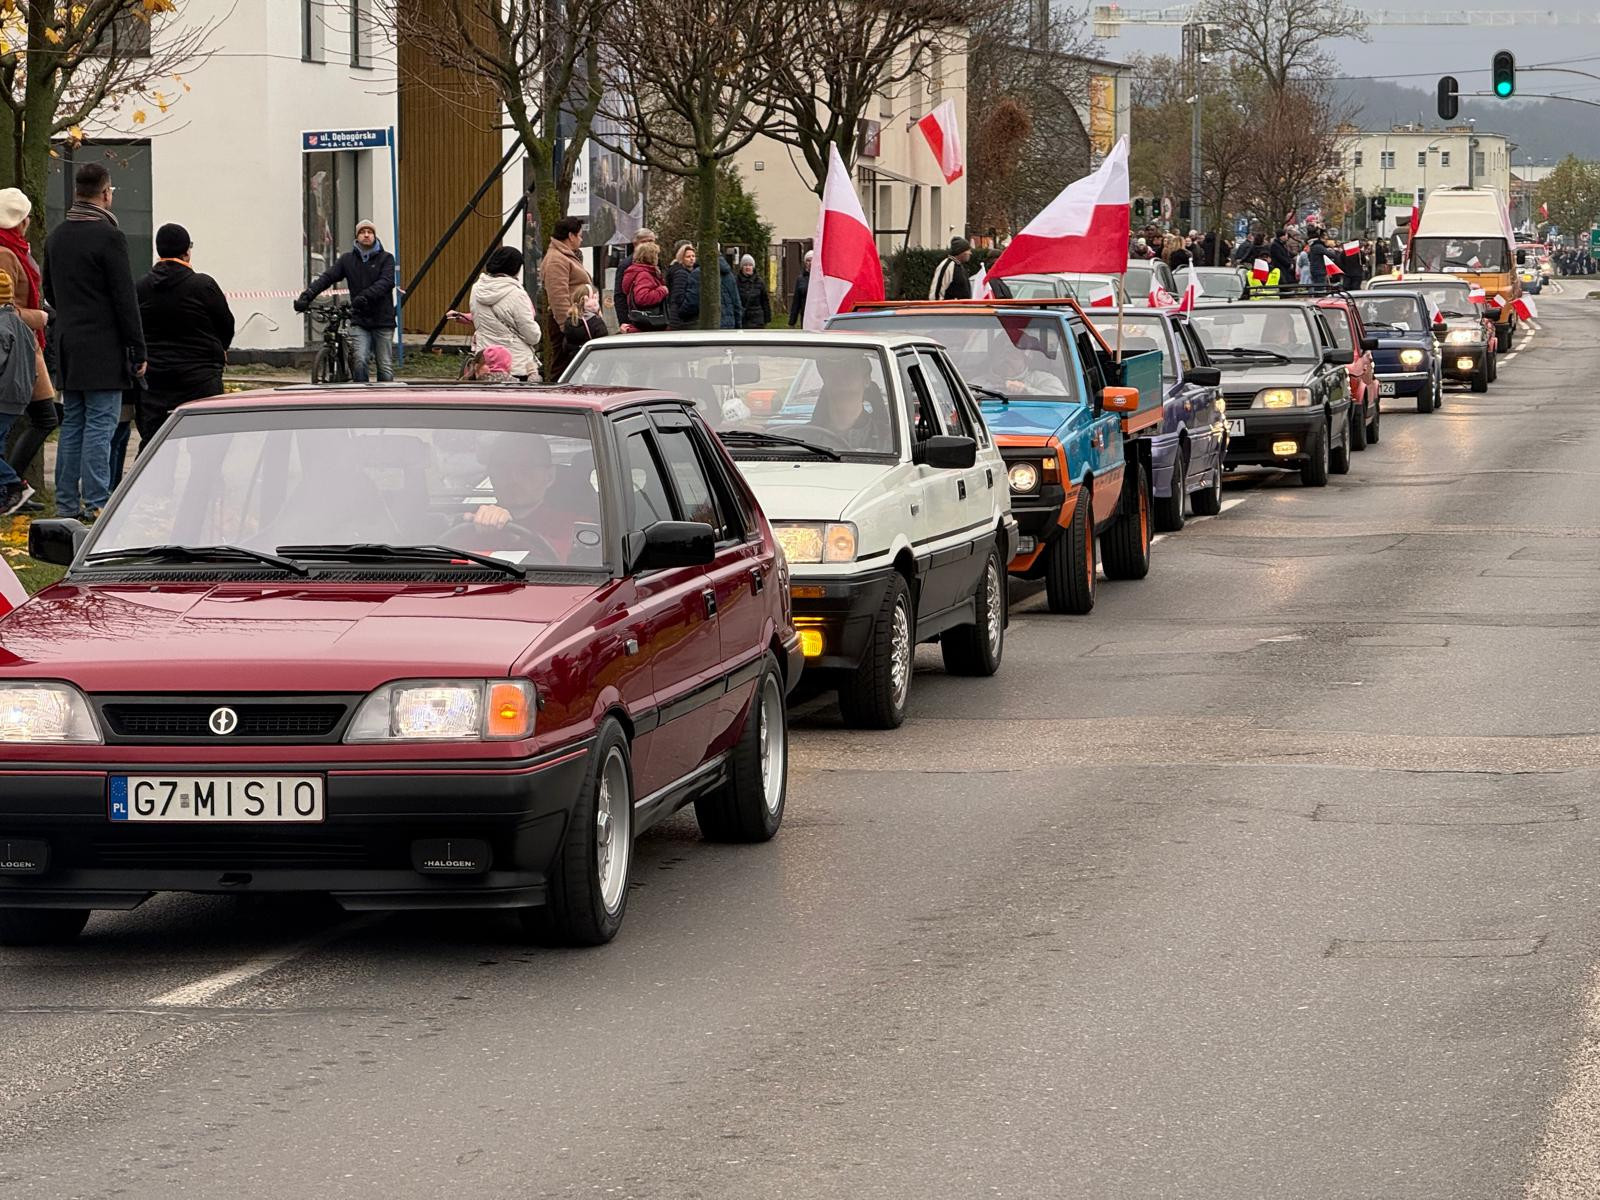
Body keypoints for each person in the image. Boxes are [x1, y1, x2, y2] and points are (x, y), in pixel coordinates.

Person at [44, 162, 146, 523]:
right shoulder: (109, 236)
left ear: (77, 192)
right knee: (101, 425)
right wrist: (137, 348)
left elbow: (49, 293)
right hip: (104, 346)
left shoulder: (56, 237)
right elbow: (124, 298)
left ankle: (67, 503)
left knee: (73, 423)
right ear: (105, 193)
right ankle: (97, 501)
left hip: (69, 343)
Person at [134, 222, 234, 442]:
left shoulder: (141, 287)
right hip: (200, 380)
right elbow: (226, 324)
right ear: (187, 251)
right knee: (205, 445)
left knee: (154, 447)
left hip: (155, 381)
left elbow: (135, 328)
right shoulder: (203, 285)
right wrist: (221, 348)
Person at [0, 188, 55, 510]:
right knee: (43, 416)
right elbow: (5, 308)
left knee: (44, 416)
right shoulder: (7, 252)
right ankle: (13, 486)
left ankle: (12, 487)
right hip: (18, 345)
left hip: (26, 344)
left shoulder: (18, 248)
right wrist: (41, 316)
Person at [294, 219, 396, 383]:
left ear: (375, 236)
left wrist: (365, 296)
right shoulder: (347, 260)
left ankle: (386, 402)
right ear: (357, 237)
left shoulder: (386, 259)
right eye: (362, 232)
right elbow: (327, 277)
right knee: (359, 360)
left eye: (370, 232)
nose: (366, 235)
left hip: (382, 320)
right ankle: (360, 398)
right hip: (359, 320)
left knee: (384, 366)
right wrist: (307, 295)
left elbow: (386, 282)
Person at [460, 246, 541, 380]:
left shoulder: (476, 289)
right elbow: (532, 336)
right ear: (516, 268)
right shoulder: (516, 294)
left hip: (485, 362)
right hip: (515, 363)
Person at [0, 271, 40, 514]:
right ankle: (5, 492)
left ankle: (15, 483)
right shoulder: (20, 325)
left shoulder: (2, 327)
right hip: (18, 396)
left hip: (2, 395)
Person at [810, 355, 888, 450]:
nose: (841, 379)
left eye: (849, 370)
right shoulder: (799, 438)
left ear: (866, 380)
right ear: (825, 380)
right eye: (833, 373)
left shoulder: (890, 441)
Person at [540, 215, 591, 350]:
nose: (581, 239)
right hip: (567, 322)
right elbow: (558, 296)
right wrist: (567, 327)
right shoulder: (557, 259)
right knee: (562, 365)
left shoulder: (564, 256)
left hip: (575, 318)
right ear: (571, 236)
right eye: (579, 235)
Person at [557, 284, 608, 375]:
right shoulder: (596, 322)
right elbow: (604, 344)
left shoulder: (570, 321)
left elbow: (565, 346)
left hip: (574, 364)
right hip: (593, 364)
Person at [620, 242, 669, 330]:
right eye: (656, 255)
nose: (658, 258)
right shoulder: (644, 274)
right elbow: (642, 297)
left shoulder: (638, 272)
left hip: (641, 322)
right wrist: (662, 290)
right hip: (649, 321)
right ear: (651, 257)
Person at [612, 226, 657, 318]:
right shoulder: (626, 265)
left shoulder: (656, 263)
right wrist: (623, 321)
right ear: (635, 244)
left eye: (652, 241)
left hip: (654, 316)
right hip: (635, 317)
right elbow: (620, 295)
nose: (649, 245)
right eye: (645, 242)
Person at [666, 243, 700, 330]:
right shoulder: (681, 274)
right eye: (688, 257)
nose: (692, 258)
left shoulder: (692, 272)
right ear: (682, 258)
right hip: (680, 319)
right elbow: (678, 297)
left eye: (693, 256)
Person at [736, 254, 771, 328]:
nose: (748, 267)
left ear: (753, 267)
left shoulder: (760, 282)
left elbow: (765, 301)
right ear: (742, 267)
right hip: (743, 319)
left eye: (750, 265)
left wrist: (767, 319)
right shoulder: (736, 282)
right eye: (745, 265)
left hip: (757, 320)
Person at [717, 252, 743, 330]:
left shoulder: (699, 273)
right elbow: (736, 302)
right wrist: (738, 325)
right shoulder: (729, 276)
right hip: (728, 324)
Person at [788, 250, 812, 326]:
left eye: (812, 260)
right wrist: (792, 321)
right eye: (808, 260)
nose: (810, 263)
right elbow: (796, 301)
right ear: (805, 263)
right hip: (805, 316)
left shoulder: (821, 278)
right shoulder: (801, 279)